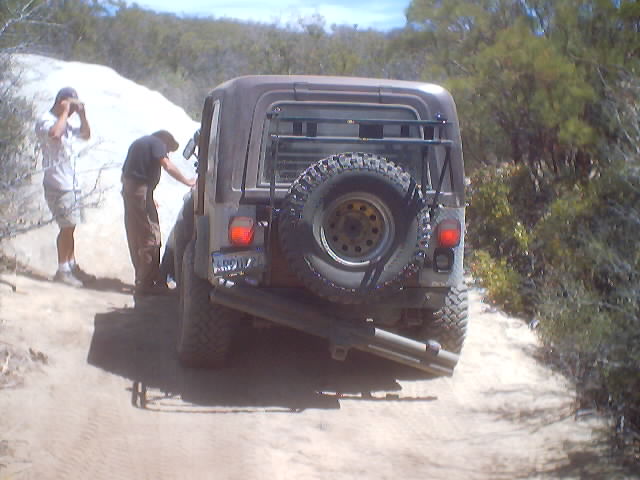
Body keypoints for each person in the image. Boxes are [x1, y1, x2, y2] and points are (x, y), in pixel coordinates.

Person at [122, 130, 195, 296]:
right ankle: (146, 283)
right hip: (139, 192)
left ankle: (143, 278)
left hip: (132, 191)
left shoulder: (140, 143)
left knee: (135, 234)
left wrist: (146, 196)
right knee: (151, 237)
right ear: (165, 140)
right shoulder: (157, 143)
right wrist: (187, 181)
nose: (167, 152)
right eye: (168, 149)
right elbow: (167, 165)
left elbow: (127, 174)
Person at [35, 87, 93, 287]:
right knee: (66, 227)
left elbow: (85, 135)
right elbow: (55, 134)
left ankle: (71, 265)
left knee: (71, 227)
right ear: (61, 101)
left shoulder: (65, 122)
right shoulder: (46, 120)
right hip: (57, 184)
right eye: (71, 105)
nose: (74, 110)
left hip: (70, 183)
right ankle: (62, 271)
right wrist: (66, 112)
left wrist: (82, 116)